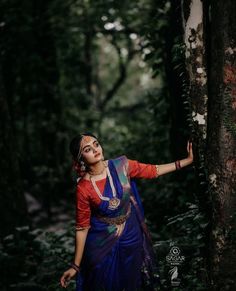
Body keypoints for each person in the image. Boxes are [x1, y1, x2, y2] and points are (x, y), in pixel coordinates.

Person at [60, 133, 194, 290]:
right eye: (88, 149)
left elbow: (153, 171)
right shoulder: (84, 188)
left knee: (132, 282)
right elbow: (82, 228)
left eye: (96, 144)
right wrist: (75, 266)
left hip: (131, 234)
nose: (95, 150)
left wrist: (187, 161)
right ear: (80, 159)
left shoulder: (121, 166)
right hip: (100, 243)